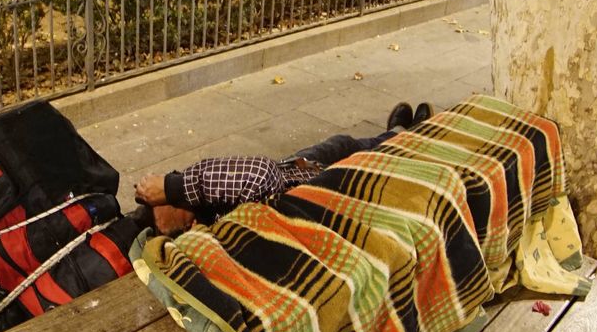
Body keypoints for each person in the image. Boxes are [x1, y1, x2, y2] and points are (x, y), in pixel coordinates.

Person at [134, 101, 434, 236]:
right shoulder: (214, 223)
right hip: (310, 190)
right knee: (368, 161)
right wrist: (174, 188)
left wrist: (178, 187)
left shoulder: (196, 200)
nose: (171, 179)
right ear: (169, 226)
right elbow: (259, 174)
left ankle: (395, 132)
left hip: (293, 169)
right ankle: (411, 138)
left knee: (341, 142)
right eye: (162, 200)